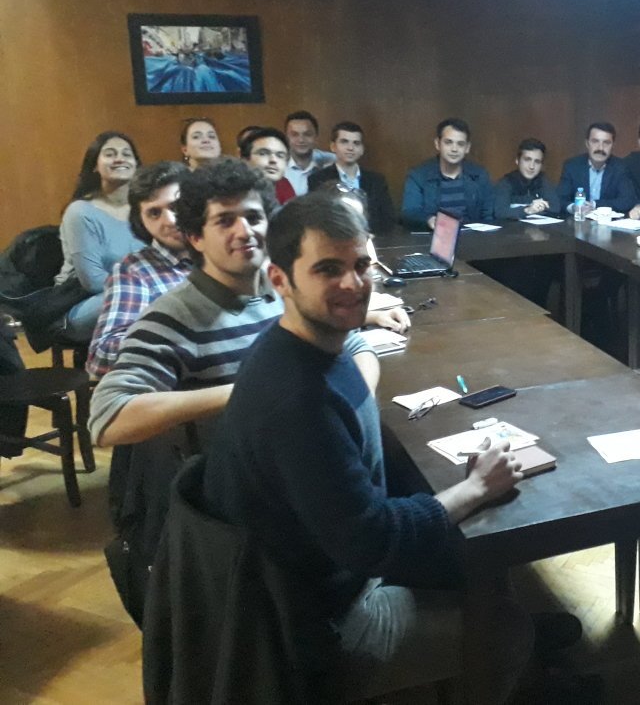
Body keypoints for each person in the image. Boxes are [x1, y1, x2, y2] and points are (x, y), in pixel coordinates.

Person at [200, 192, 532, 702]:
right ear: (280, 280)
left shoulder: (301, 344)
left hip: (309, 573)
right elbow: (372, 541)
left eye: (361, 265)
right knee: (507, 627)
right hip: (324, 623)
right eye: (328, 269)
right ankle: (515, 645)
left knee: (482, 565)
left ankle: (522, 648)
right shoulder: (297, 400)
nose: (353, 284)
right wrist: (475, 488)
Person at [88, 160, 381, 624]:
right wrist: (250, 393)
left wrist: (345, 404)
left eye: (254, 217)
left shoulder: (276, 287)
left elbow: (359, 347)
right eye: (225, 220)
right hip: (254, 537)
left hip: (313, 483)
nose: (245, 231)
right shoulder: (174, 316)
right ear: (195, 237)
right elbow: (108, 418)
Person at [87, 161, 191, 377]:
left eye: (176, 206)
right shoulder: (135, 272)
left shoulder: (224, 253)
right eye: (154, 213)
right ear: (141, 221)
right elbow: (101, 355)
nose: (170, 220)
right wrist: (178, 339)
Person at [54, 132, 143, 341]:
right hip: (85, 304)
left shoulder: (146, 210)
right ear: (95, 165)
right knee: (145, 297)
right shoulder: (80, 212)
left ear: (136, 165)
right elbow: (92, 281)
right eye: (110, 154)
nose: (119, 159)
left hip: (138, 295)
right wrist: (147, 286)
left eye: (126, 154)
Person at [401, 118, 495, 229]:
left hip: (473, 237)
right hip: (433, 236)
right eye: (448, 142)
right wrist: (429, 220)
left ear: (467, 148)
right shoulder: (418, 176)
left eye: (460, 144)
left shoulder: (479, 175)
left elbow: (488, 216)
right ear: (437, 144)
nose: (454, 149)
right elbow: (410, 212)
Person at [310, 121, 395, 234]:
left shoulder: (377, 181)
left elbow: (387, 220)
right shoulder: (318, 179)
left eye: (356, 143)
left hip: (371, 239)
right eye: (344, 142)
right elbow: (317, 220)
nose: (350, 148)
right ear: (333, 146)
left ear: (362, 149)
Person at [556, 122, 638, 217]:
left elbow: (628, 201)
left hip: (608, 222)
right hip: (578, 221)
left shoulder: (621, 167)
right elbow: (559, 199)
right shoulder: (572, 166)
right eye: (595, 141)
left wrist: (595, 205)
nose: (600, 148)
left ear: (613, 145)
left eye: (606, 143)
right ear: (587, 143)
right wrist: (574, 207)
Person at [493, 138, 561, 219]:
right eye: (527, 160)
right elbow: (500, 212)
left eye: (537, 162)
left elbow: (556, 207)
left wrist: (537, 208)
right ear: (517, 161)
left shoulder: (543, 180)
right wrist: (528, 210)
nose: (532, 166)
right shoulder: (506, 182)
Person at [239, 126, 297, 205]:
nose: (273, 160)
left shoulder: (284, 185)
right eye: (263, 153)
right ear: (245, 159)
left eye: (280, 155)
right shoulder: (233, 192)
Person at [283, 110, 335, 195]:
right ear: (286, 138)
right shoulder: (277, 165)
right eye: (294, 134)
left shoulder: (332, 161)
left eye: (307, 134)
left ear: (316, 137)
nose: (301, 140)